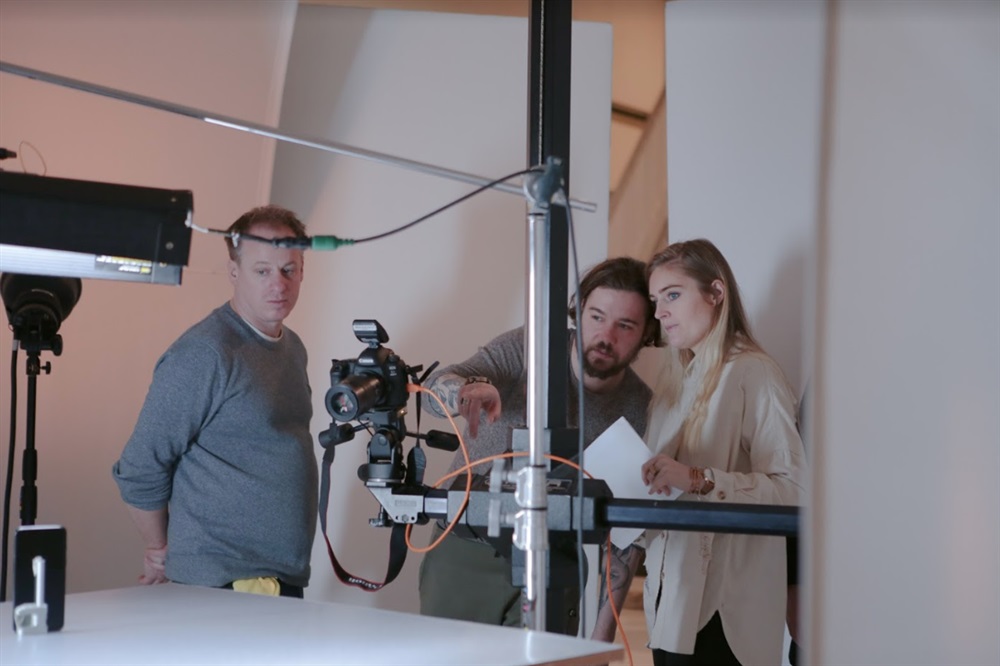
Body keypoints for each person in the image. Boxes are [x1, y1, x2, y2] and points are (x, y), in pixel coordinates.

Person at [418, 256, 659, 636]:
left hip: (556, 561)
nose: (606, 336)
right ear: (579, 311)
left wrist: (601, 636)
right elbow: (432, 392)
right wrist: (463, 392)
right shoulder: (529, 348)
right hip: (466, 550)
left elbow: (625, 540)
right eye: (596, 317)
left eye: (625, 325)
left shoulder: (641, 411)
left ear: (647, 333)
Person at [112, 205, 317, 599]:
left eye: (288, 270)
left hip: (279, 579)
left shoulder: (293, 348)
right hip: (222, 583)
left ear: (302, 270)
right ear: (234, 272)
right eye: (262, 271)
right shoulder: (205, 353)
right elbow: (139, 467)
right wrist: (158, 549)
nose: (278, 284)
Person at [636, 239, 806, 665]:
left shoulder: (754, 373)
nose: (659, 313)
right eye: (656, 301)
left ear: (716, 292)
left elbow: (793, 492)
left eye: (672, 295)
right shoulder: (672, 386)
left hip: (726, 609)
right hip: (667, 603)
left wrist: (698, 479)